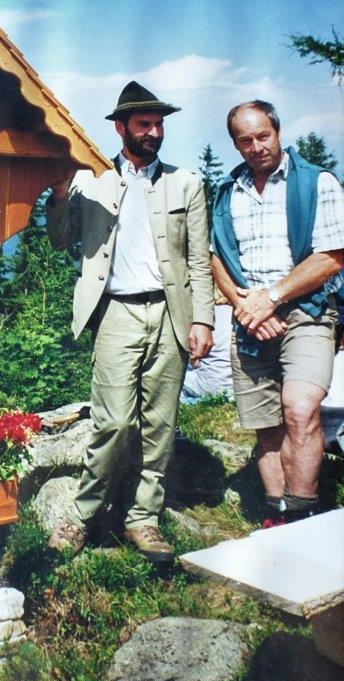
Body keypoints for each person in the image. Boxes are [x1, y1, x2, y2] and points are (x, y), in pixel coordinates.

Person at [45, 81, 214, 562]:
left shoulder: (186, 184)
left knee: (160, 423)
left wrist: (203, 320)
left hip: (171, 312)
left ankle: (143, 519)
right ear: (120, 128)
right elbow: (59, 239)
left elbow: (198, 261)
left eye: (159, 124)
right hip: (116, 311)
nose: (154, 132)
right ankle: (83, 515)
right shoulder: (91, 180)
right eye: (144, 124)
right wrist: (60, 191)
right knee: (116, 421)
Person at [211, 100, 344, 525]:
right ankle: (276, 512)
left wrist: (271, 298)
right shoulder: (228, 191)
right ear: (236, 144)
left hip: (307, 311)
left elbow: (332, 256)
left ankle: (303, 514)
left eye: (263, 136)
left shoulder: (317, 182)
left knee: (301, 409)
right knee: (266, 423)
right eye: (245, 140)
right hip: (250, 320)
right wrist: (245, 307)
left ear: (278, 131)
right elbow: (216, 257)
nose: (256, 147)